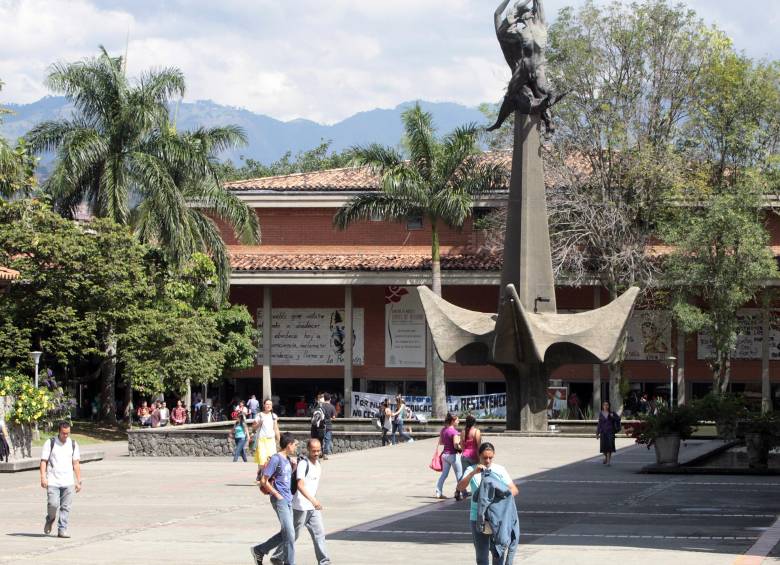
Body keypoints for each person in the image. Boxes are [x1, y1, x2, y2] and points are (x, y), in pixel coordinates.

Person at [270, 438, 332, 565]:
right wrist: (313, 500)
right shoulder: (304, 464)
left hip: (312, 508)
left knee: (319, 534)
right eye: (313, 451)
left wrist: (313, 502)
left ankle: (324, 561)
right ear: (308, 450)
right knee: (293, 535)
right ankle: (277, 556)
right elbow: (300, 485)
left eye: (318, 450)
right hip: (300, 507)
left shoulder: (318, 464)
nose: (316, 453)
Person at [457, 442, 520, 565]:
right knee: (481, 557)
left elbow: (514, 490)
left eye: (490, 457)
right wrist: (473, 473)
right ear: (479, 455)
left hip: (498, 518)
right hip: (478, 518)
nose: (487, 461)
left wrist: (497, 498)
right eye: (484, 457)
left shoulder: (499, 470)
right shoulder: (471, 470)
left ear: (494, 456)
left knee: (498, 554)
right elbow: (460, 487)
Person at [252, 432, 299, 565]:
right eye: (294, 445)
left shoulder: (288, 460)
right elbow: (263, 480)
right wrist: (276, 494)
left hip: (288, 499)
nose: (295, 447)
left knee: (288, 533)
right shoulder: (276, 459)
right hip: (280, 500)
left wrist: (294, 466)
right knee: (290, 534)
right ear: (289, 445)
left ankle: (260, 550)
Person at [40, 421, 82, 538]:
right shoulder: (50, 443)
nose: (66, 436)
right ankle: (50, 519)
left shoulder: (73, 444)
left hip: (68, 481)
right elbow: (44, 461)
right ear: (59, 431)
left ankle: (62, 529)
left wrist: (79, 481)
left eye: (68, 433)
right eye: (64, 433)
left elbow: (76, 463)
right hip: (53, 480)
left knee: (65, 507)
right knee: (52, 504)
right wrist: (43, 477)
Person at [435, 412, 466, 500]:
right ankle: (463, 492)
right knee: (459, 475)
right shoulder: (454, 432)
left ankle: (438, 492)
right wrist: (463, 448)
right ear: (453, 421)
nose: (459, 422)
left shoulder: (443, 430)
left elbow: (441, 442)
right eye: (457, 420)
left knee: (444, 475)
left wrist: (447, 442)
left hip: (444, 455)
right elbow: (456, 445)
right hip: (453, 456)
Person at [252, 398, 281, 481]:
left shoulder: (273, 416)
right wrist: (259, 423)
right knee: (262, 459)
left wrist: (279, 440)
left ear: (272, 406)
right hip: (262, 440)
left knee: (272, 460)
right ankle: (261, 474)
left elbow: (276, 429)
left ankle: (269, 477)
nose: (268, 406)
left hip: (271, 441)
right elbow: (253, 428)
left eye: (270, 404)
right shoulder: (259, 415)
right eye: (267, 404)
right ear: (264, 405)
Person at [596, 400, 620, 466]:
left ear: (609, 406)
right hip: (603, 432)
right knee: (603, 448)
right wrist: (597, 433)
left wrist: (613, 417)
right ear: (602, 406)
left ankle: (609, 461)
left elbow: (618, 419)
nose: (606, 406)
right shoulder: (601, 413)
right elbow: (599, 424)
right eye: (604, 405)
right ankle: (606, 457)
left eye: (607, 405)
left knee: (609, 446)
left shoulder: (612, 413)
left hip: (610, 432)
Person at [320, 392, 336, 459]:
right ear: (330, 399)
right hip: (328, 426)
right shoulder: (332, 407)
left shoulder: (320, 406)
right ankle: (325, 454)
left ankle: (319, 452)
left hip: (320, 426)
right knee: (327, 440)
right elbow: (334, 417)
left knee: (320, 439)